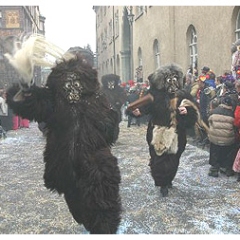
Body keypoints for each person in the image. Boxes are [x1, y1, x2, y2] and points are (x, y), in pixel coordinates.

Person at [5, 34, 122, 234]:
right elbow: (31, 104)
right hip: (66, 167)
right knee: (80, 211)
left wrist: (109, 119)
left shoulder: (97, 96)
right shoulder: (52, 97)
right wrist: (26, 87)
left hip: (97, 166)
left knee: (104, 216)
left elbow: (110, 131)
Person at [127, 63, 200, 197]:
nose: (171, 83)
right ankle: (162, 183)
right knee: (158, 158)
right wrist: (137, 112)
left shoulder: (183, 95)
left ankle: (168, 179)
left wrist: (187, 111)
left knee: (173, 159)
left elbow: (194, 111)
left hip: (177, 134)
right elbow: (144, 108)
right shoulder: (154, 94)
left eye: (174, 79)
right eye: (168, 79)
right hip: (157, 131)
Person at [207, 96, 237, 177]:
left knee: (214, 152)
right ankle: (225, 168)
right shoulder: (232, 114)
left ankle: (214, 169)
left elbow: (209, 121)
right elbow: (234, 126)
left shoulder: (214, 111)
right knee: (226, 152)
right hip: (228, 139)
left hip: (215, 137)